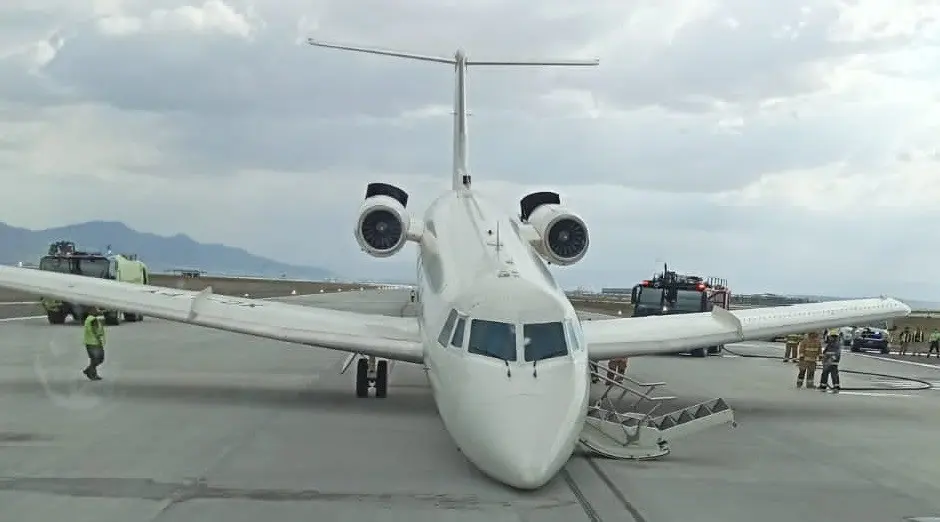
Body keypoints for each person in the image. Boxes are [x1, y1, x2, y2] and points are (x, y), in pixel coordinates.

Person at [82, 307, 106, 381]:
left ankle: (93, 374)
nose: (97, 311)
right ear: (91, 311)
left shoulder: (88, 319)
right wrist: (100, 340)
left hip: (89, 342)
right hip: (94, 343)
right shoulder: (93, 320)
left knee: (94, 359)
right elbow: (96, 331)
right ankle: (89, 370)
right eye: (95, 310)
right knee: (99, 359)